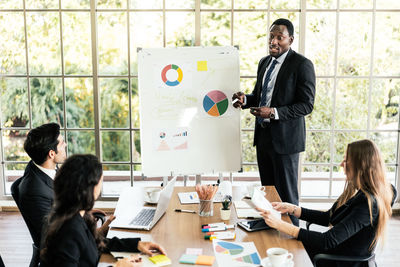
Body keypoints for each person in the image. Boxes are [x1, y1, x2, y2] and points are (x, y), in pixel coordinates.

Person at [256, 139, 394, 267]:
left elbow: (327, 241)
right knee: (278, 243)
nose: (341, 164)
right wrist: (292, 209)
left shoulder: (368, 203)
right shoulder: (360, 192)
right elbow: (329, 217)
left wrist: (280, 225)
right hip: (334, 251)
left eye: (346, 161)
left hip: (339, 260)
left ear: (360, 166)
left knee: (279, 247)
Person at [232, 18, 316, 226]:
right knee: (268, 193)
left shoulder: (302, 65)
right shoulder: (264, 62)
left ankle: (294, 238)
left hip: (286, 142)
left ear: (291, 40)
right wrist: (245, 100)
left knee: (287, 197)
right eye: (272, 36)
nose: (274, 41)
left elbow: (306, 105)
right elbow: (260, 96)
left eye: (280, 37)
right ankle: (271, 233)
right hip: (264, 138)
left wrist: (274, 113)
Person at [40, 154, 167, 267]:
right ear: (89, 188)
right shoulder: (69, 230)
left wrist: (137, 245)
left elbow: (93, 244)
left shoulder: (75, 213)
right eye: (100, 181)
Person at [12, 123, 67, 247]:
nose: (66, 145)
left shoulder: (42, 167)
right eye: (62, 143)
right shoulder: (34, 192)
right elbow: (54, 235)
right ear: (52, 154)